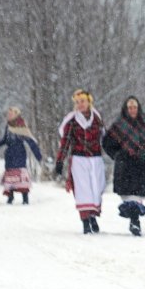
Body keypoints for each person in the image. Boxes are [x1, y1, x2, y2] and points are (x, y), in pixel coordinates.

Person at [101, 96, 145, 236]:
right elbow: (107, 143)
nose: (132, 110)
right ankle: (134, 220)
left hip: (142, 164)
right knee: (128, 195)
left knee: (138, 195)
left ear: (138, 108)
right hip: (125, 165)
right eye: (130, 108)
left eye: (134, 107)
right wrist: (116, 154)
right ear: (125, 109)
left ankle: (135, 221)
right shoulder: (119, 125)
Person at [55, 89, 106, 234]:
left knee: (95, 189)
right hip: (79, 159)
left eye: (82, 101)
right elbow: (65, 142)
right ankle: (85, 220)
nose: (80, 105)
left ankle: (93, 217)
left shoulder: (96, 118)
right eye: (77, 102)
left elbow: (104, 138)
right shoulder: (72, 121)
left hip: (95, 159)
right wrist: (60, 161)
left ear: (89, 102)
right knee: (83, 191)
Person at [0, 107, 42, 205]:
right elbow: (5, 140)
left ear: (16, 115)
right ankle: (10, 196)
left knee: (20, 175)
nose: (8, 116)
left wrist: (37, 154)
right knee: (10, 175)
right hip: (10, 154)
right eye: (8, 114)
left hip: (19, 153)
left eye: (11, 114)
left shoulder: (21, 126)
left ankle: (25, 198)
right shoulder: (8, 126)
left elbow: (30, 141)